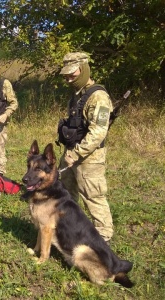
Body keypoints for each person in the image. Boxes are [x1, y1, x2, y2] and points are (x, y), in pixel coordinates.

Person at [57, 52, 114, 242]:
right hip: (70, 154)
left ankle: (103, 239)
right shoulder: (76, 95)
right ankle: (71, 230)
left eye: (72, 74)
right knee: (65, 193)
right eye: (65, 75)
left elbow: (98, 131)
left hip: (89, 158)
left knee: (93, 197)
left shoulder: (98, 97)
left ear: (84, 69)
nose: (68, 78)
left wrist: (77, 153)